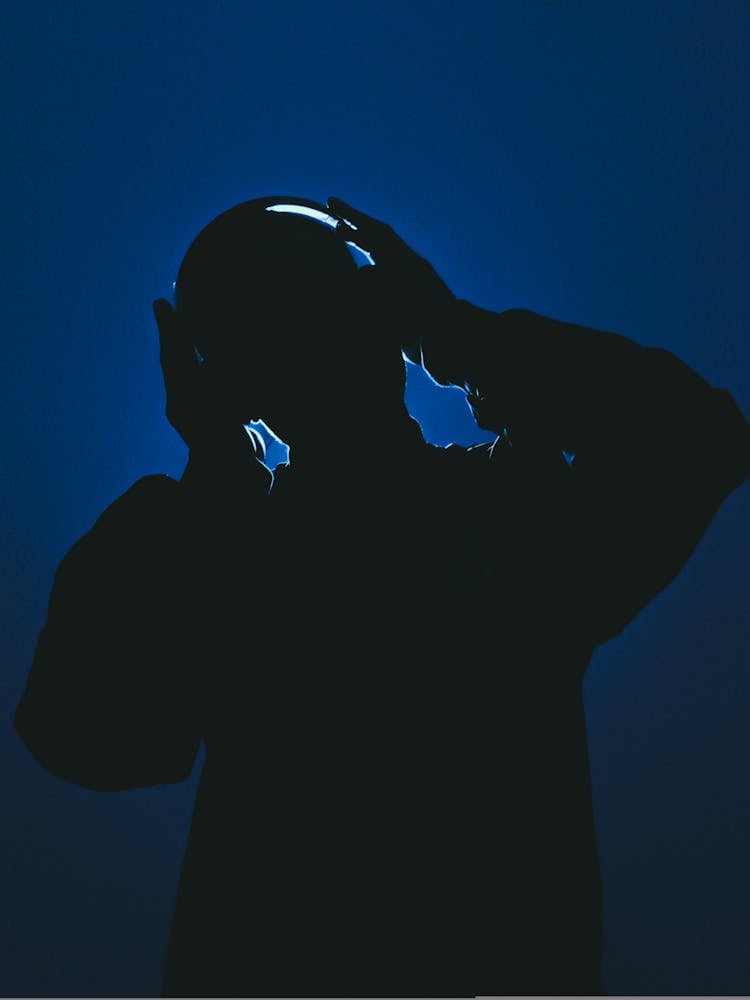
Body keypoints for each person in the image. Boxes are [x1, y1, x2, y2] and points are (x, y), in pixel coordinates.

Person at [13, 194, 750, 998]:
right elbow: (87, 733)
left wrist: (455, 334)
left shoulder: (493, 515)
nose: (333, 330)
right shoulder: (236, 551)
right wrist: (216, 481)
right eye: (285, 314)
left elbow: (698, 436)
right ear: (236, 366)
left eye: (340, 298)